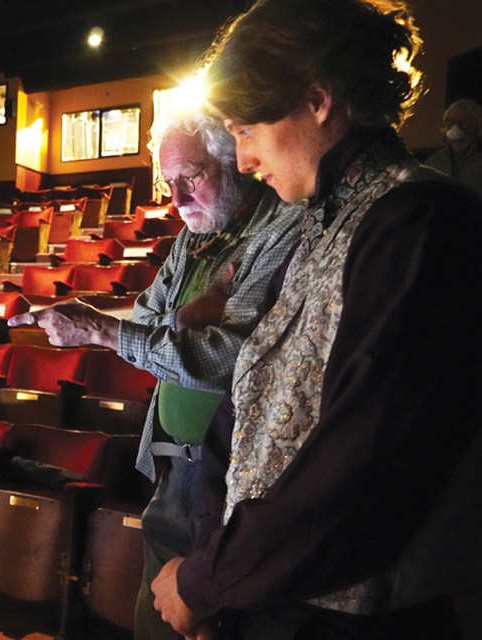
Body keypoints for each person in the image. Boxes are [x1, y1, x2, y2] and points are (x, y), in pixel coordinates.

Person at [152, 1, 482, 638]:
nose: (242, 160)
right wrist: (210, 565)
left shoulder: (421, 221)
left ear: (318, 101)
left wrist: (206, 579)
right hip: (267, 595)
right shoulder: (320, 226)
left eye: (245, 130)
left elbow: (364, 464)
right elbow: (242, 407)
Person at [8, 109, 301, 639]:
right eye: (169, 183)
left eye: (192, 178)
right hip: (169, 466)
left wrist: (103, 331)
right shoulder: (194, 239)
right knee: (155, 623)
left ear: (235, 158)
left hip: (232, 479)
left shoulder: (279, 227)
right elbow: (148, 318)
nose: (178, 199)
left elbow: (231, 360)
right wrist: (186, 318)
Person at [425, 98, 482, 197]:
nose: (455, 125)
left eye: (463, 120)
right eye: (450, 121)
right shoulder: (435, 161)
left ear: (476, 124)